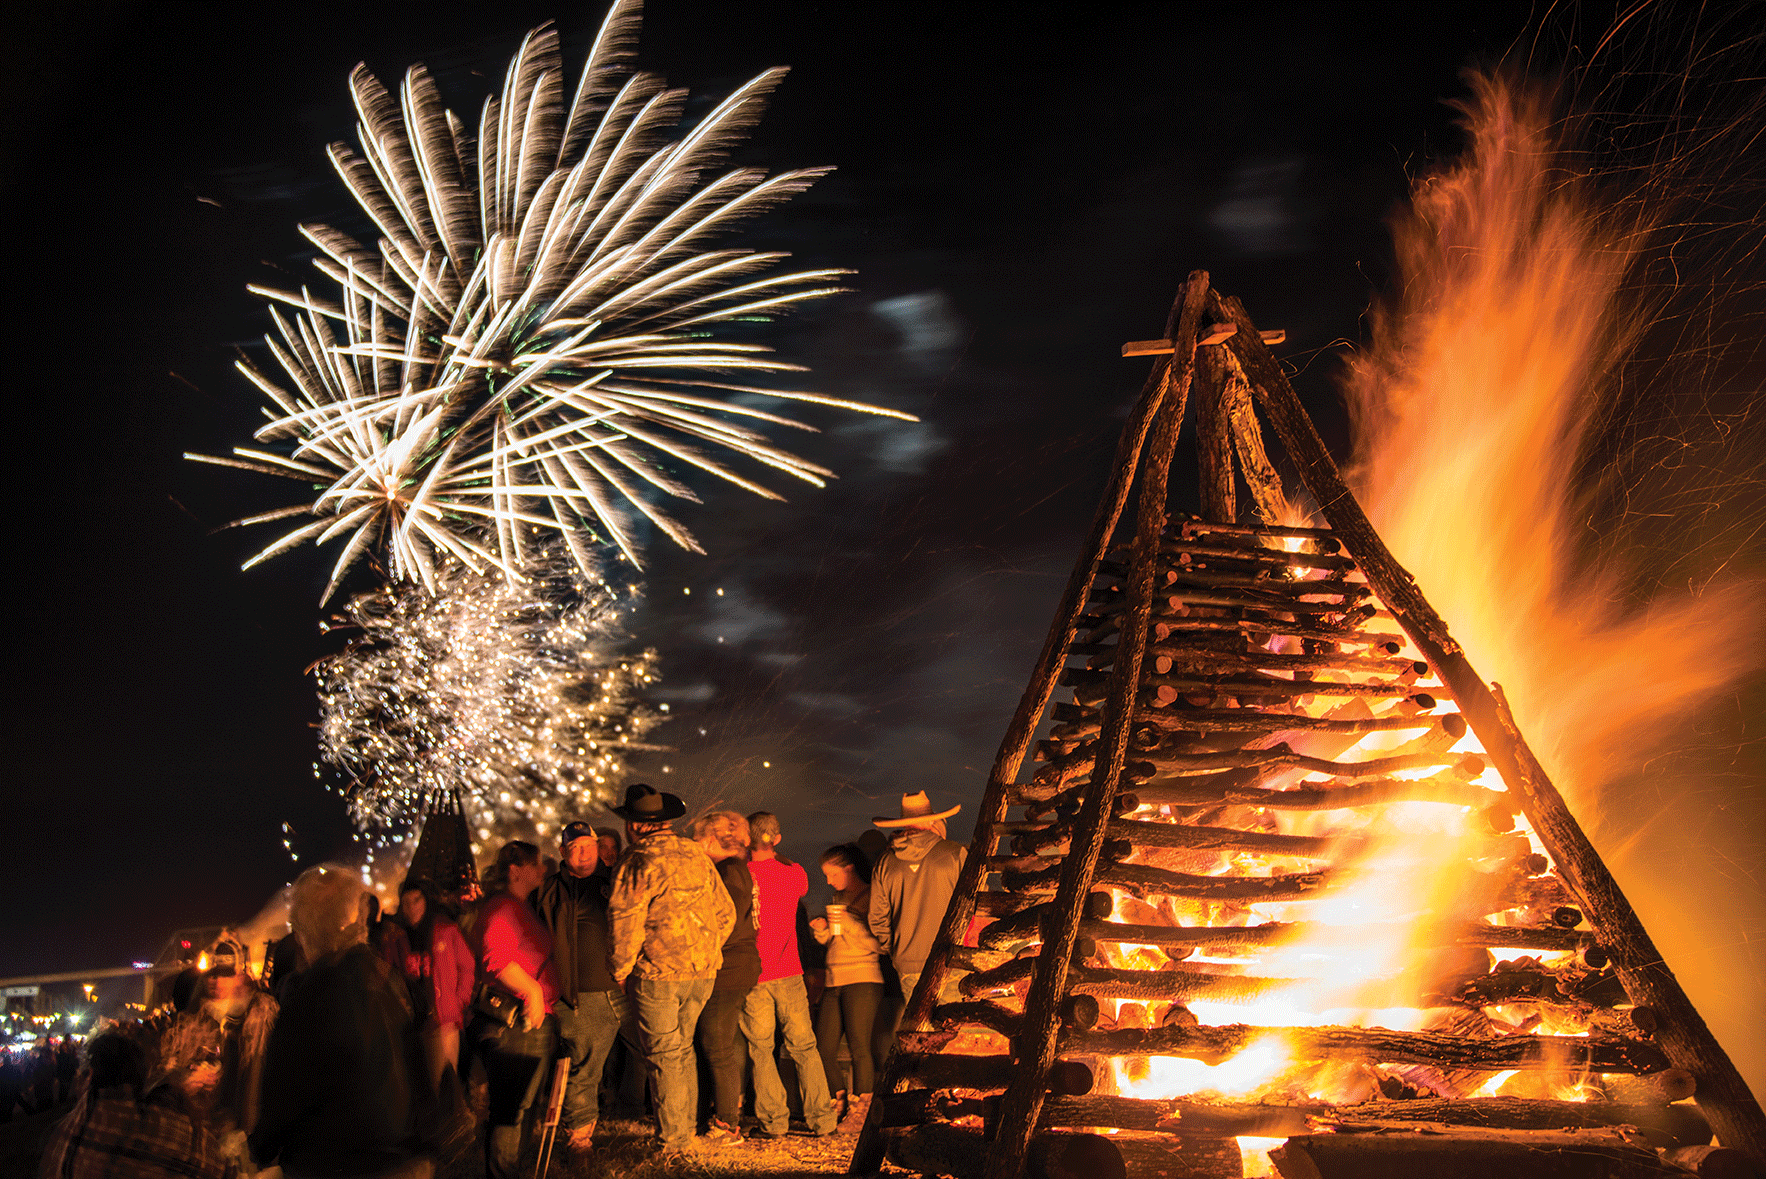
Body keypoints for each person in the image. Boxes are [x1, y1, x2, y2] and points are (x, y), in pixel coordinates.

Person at [250, 864, 426, 1179]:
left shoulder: (310, 998)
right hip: (403, 1159)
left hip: (337, 1164)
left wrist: (258, 1148)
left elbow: (284, 1099)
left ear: (308, 928)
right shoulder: (388, 979)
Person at [607, 784, 735, 1157]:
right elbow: (725, 912)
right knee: (682, 1051)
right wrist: (706, 948)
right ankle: (685, 1132)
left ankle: (674, 1142)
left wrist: (621, 967)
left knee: (664, 1056)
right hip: (702, 972)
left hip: (658, 974)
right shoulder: (696, 854)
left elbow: (624, 919)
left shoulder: (637, 860)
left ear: (633, 825)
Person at [532, 821, 629, 1156]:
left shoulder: (615, 883)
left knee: (656, 1054)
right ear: (563, 852)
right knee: (583, 1066)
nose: (586, 852)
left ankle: (670, 1126)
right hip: (578, 996)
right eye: (577, 847)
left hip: (622, 988)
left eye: (590, 845)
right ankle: (579, 1137)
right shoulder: (548, 890)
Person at [740, 812, 837, 1139]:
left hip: (754, 975)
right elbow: (794, 877)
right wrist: (771, 849)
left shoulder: (741, 874)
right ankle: (822, 1119)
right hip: (789, 970)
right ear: (777, 838)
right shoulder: (793, 873)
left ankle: (774, 1122)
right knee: (804, 1047)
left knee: (761, 1049)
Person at [471, 841, 562, 1179]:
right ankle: (502, 1172)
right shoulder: (503, 909)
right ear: (515, 870)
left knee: (523, 1105)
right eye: (536, 864)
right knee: (511, 1108)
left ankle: (511, 1170)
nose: (542, 870)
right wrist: (533, 991)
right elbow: (497, 960)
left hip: (531, 1021)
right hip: (516, 1025)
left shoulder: (520, 907)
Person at [157, 935, 279, 1171]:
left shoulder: (260, 1017)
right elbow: (165, 1074)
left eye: (225, 974)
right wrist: (185, 1079)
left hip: (247, 1136)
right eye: (212, 974)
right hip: (203, 1134)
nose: (216, 981)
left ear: (238, 976)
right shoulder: (193, 1023)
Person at [38, 1030, 231, 1179]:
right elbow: (223, 1170)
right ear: (142, 1076)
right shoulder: (176, 1130)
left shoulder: (66, 1131)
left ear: (90, 1075)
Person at [691, 811, 760, 1143]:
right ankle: (712, 1114)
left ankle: (726, 1123)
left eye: (699, 836)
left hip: (728, 966)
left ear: (711, 838)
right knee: (721, 1042)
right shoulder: (732, 869)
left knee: (716, 1043)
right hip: (733, 964)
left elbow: (725, 921)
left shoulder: (728, 871)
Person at [869, 792, 967, 1023]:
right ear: (933, 820)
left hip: (907, 962)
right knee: (953, 1029)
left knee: (918, 1029)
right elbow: (971, 903)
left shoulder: (885, 863)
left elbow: (877, 919)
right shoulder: (955, 854)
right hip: (950, 957)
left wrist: (896, 949)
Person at [810, 843, 884, 1131]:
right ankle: (841, 1103)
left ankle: (862, 1111)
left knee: (859, 1047)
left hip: (863, 978)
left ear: (849, 867)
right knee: (822, 1048)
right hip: (834, 979)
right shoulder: (838, 898)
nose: (828, 881)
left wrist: (850, 925)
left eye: (832, 874)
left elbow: (878, 945)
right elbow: (837, 941)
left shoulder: (873, 896)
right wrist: (822, 932)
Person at [383, 875, 475, 1093]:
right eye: (406, 902)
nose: (411, 907)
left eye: (416, 900)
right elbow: (391, 976)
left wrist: (458, 1001)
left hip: (444, 1019)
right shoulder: (397, 938)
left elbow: (467, 966)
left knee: (446, 1083)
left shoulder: (445, 930)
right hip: (415, 1022)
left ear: (425, 900)